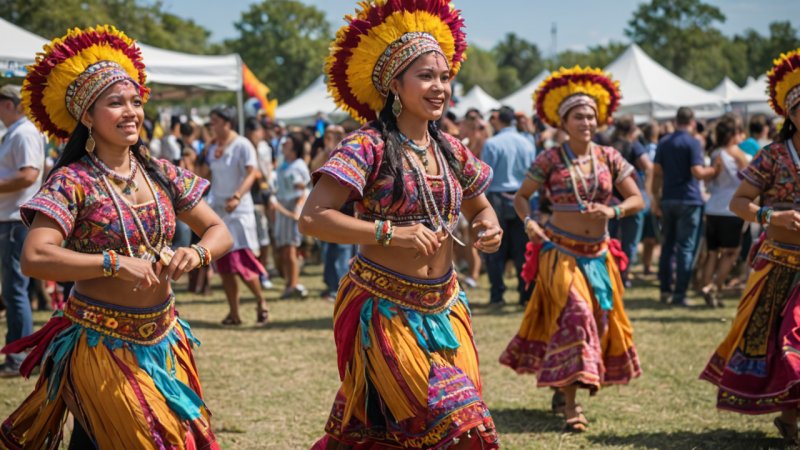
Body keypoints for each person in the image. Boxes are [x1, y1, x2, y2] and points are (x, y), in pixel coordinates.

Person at [0, 25, 232, 448]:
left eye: (135, 102)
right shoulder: (73, 181)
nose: (131, 112)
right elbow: (34, 256)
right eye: (115, 103)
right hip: (100, 345)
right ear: (87, 117)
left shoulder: (160, 171)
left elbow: (219, 231)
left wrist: (195, 254)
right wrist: (112, 262)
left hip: (164, 338)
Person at [303, 1, 500, 447]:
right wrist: (391, 232)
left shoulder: (450, 147)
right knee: (454, 424)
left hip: (447, 305)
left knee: (444, 431)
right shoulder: (366, 146)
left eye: (445, 76)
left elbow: (481, 208)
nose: (439, 87)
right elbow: (313, 219)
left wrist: (490, 228)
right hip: (384, 309)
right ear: (395, 84)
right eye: (426, 76)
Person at [499, 67, 643, 432]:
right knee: (576, 316)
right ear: (563, 122)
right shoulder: (549, 159)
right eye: (579, 116)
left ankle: (564, 389)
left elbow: (637, 199)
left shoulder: (610, 156)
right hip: (559, 254)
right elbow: (520, 198)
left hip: (598, 255)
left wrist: (613, 210)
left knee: (595, 322)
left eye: (592, 115)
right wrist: (529, 222)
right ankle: (571, 408)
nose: (587, 121)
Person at [700, 48, 800, 446]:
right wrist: (771, 218)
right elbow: (738, 202)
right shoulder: (773, 156)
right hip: (778, 263)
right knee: (784, 343)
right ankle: (791, 414)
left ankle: (791, 414)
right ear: (790, 113)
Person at [205, 106, 270, 325]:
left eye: (215, 121)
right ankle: (234, 312)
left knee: (240, 261)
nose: (212, 125)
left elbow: (252, 173)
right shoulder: (214, 146)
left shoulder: (242, 144)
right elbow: (207, 174)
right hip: (219, 210)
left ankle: (261, 301)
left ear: (227, 122)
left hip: (238, 210)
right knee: (224, 265)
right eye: (211, 121)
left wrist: (237, 195)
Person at [652, 107, 717, 306]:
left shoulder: (664, 142)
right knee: (686, 248)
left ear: (675, 119)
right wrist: (715, 170)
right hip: (689, 200)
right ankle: (679, 294)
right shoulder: (693, 142)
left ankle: (665, 290)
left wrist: (656, 198)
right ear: (692, 122)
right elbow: (697, 172)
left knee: (667, 246)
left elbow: (657, 172)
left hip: (668, 199)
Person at [0, 84, 44, 377]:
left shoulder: (24, 132)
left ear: (9, 104)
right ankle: (19, 354)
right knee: (15, 290)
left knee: (16, 290)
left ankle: (19, 357)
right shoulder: (17, 132)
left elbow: (29, 174)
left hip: (16, 220)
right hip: (12, 219)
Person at [482, 105, 536, 305]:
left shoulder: (492, 143)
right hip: (522, 197)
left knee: (495, 248)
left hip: (497, 196)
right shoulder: (528, 142)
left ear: (499, 120)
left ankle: (497, 294)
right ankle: (525, 293)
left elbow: (486, 175)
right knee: (523, 248)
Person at [699, 114, 749, 307]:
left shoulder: (714, 153)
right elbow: (749, 180)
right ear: (734, 133)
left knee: (712, 252)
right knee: (731, 253)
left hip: (712, 208)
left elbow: (710, 179)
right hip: (731, 209)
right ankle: (714, 287)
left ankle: (707, 287)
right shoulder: (738, 154)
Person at [608, 115, 652, 286]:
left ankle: (613, 272)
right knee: (630, 241)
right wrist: (646, 191)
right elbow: (648, 167)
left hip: (611, 200)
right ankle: (624, 275)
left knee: (611, 239)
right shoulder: (634, 145)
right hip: (631, 200)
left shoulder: (608, 145)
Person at [273, 132, 311, 299]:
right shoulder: (283, 164)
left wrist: (297, 210)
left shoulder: (298, 165)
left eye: (286, 144)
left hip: (292, 209)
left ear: (294, 147)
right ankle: (289, 282)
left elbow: (301, 191)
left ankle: (293, 285)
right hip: (282, 207)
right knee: (283, 250)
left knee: (290, 250)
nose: (282, 147)